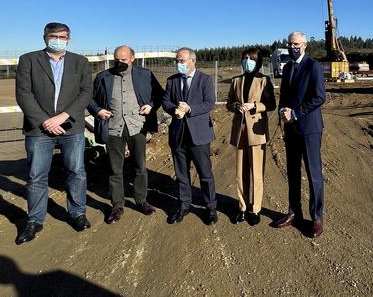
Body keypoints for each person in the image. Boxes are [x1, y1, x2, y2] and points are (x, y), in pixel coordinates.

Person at [14, 22, 92, 244]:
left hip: (71, 127)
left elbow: (86, 93)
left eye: (63, 36)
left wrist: (64, 116)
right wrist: (45, 121)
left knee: (76, 171)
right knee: (36, 175)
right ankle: (34, 220)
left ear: (69, 38)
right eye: (54, 35)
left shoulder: (80, 62)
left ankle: (78, 213)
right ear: (45, 37)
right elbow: (24, 94)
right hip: (39, 129)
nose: (58, 39)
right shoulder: (28, 60)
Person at [88, 45, 163, 223]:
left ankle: (141, 200)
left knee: (140, 167)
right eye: (116, 59)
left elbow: (159, 95)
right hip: (114, 129)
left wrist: (151, 105)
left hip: (137, 127)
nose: (119, 62)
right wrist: (98, 110)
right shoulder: (103, 77)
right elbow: (89, 99)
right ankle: (117, 206)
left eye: (123, 59)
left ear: (132, 58)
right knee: (115, 169)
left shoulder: (145, 75)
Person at [272, 31, 327, 238]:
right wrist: (282, 111)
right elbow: (284, 95)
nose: (292, 47)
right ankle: (294, 212)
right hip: (291, 129)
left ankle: (316, 218)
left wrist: (295, 113)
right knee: (293, 172)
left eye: (296, 44)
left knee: (313, 174)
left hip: (309, 128)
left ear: (304, 45)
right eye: (289, 43)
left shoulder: (313, 66)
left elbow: (319, 97)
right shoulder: (287, 68)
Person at [162, 47, 218, 225]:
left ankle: (210, 208)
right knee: (181, 173)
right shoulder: (172, 81)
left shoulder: (205, 79)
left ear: (193, 61)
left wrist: (190, 109)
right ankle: (184, 205)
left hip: (199, 135)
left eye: (182, 61)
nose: (178, 64)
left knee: (205, 174)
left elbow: (210, 103)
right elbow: (165, 101)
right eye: (177, 61)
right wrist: (175, 110)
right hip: (178, 134)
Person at [226, 48, 276, 225]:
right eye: (245, 58)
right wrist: (235, 106)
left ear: (258, 61)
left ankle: (255, 208)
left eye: (251, 58)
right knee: (240, 172)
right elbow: (228, 103)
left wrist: (254, 106)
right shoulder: (236, 81)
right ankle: (242, 207)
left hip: (256, 131)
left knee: (256, 171)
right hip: (240, 131)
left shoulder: (264, 80)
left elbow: (271, 104)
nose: (247, 61)